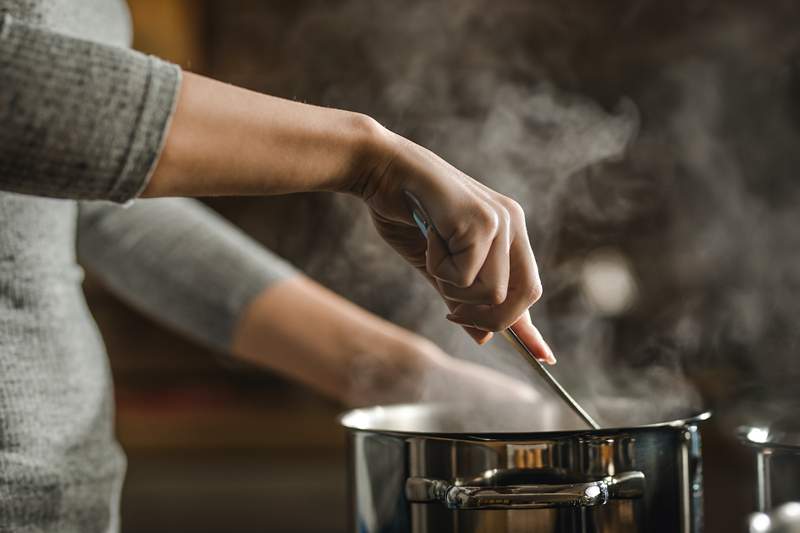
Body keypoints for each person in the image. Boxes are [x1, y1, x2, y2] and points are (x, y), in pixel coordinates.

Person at [0, 1, 555, 531]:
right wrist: (366, 157)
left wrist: (405, 373)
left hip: (63, 493)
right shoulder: (364, 154)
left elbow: (92, 207)